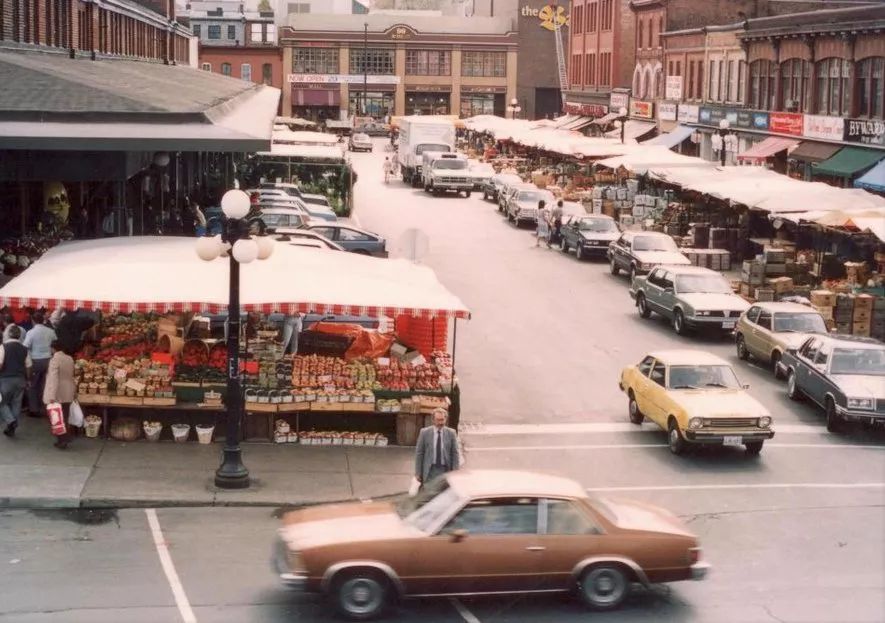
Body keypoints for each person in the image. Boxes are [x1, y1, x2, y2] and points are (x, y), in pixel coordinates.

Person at [414, 408, 460, 488]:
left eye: (442, 420)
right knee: (429, 493)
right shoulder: (424, 432)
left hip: (445, 469)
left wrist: (455, 471)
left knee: (443, 493)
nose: (440, 422)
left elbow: (455, 453)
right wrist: (418, 473)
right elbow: (419, 453)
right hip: (430, 470)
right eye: (438, 420)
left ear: (446, 419)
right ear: (433, 420)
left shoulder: (451, 433)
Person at [43, 341, 76, 449]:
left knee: (56, 417)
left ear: (53, 349)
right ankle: (67, 436)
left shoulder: (54, 360)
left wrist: (51, 395)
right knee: (65, 415)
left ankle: (62, 439)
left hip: (58, 391)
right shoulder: (69, 358)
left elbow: (53, 378)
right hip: (68, 389)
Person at [23, 311, 56, 418]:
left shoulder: (31, 333)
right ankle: (45, 406)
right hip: (48, 360)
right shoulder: (50, 331)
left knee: (33, 386)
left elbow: (25, 347)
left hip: (35, 361)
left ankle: (34, 409)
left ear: (33, 321)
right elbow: (55, 343)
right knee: (45, 384)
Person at [0, 326, 32, 438]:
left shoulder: (3, 347)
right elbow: (28, 366)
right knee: (16, 404)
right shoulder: (24, 349)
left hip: (5, 379)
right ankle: (12, 428)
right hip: (20, 379)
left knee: (2, 402)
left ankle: (10, 421)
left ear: (8, 334)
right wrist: (28, 379)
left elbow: (0, 363)